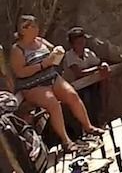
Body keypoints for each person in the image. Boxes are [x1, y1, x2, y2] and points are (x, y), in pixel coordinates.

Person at [7, 14, 103, 153]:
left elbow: (53, 51)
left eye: (36, 25)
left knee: (71, 95)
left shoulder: (40, 41)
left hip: (52, 77)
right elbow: (20, 72)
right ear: (23, 30)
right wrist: (42, 65)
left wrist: (57, 52)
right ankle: (66, 141)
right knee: (52, 103)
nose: (36, 28)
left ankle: (88, 127)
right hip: (32, 85)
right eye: (32, 26)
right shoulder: (18, 49)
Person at [63, 26, 111, 126]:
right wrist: (97, 68)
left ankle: (103, 116)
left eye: (83, 41)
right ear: (73, 44)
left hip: (88, 83)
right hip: (74, 87)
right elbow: (79, 73)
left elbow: (98, 62)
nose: (81, 45)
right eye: (78, 43)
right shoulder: (69, 55)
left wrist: (103, 65)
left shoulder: (88, 53)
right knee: (87, 100)